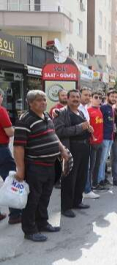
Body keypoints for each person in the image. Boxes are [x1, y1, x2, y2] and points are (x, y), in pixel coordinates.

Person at [14, 90, 69, 242]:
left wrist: (62, 149)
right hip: (35, 167)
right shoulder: (25, 120)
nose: (43, 102)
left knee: (45, 197)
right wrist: (20, 170)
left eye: (44, 100)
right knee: (33, 199)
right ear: (30, 103)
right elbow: (18, 147)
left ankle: (42, 223)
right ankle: (30, 230)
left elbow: (53, 135)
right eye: (39, 100)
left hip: (50, 165)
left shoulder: (47, 116)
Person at [54, 89, 92, 218]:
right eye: (73, 97)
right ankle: (66, 207)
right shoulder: (62, 113)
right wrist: (80, 127)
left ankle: (77, 202)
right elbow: (59, 131)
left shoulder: (80, 111)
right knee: (69, 178)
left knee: (81, 176)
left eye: (77, 97)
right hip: (71, 149)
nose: (75, 99)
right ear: (68, 99)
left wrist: (88, 129)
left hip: (84, 147)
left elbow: (83, 127)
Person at [0, 89, 22, 224]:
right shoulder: (1, 110)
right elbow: (9, 132)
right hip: (1, 150)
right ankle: (15, 215)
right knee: (10, 180)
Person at [78, 88, 100, 199]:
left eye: (89, 95)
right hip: (77, 142)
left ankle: (86, 190)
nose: (88, 97)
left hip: (86, 141)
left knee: (86, 167)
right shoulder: (77, 108)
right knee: (83, 168)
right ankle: (85, 190)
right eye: (85, 95)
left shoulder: (85, 108)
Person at [98, 90, 117, 187]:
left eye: (115, 97)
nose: (114, 98)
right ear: (107, 97)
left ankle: (102, 178)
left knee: (104, 160)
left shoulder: (112, 108)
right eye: (112, 96)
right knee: (102, 160)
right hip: (104, 137)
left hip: (110, 137)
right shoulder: (103, 108)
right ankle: (99, 180)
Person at [87, 91, 106, 192]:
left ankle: (95, 183)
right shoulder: (88, 110)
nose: (98, 99)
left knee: (97, 164)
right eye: (96, 97)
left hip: (100, 142)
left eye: (100, 98)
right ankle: (88, 186)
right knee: (92, 165)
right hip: (92, 142)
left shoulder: (99, 110)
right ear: (91, 98)